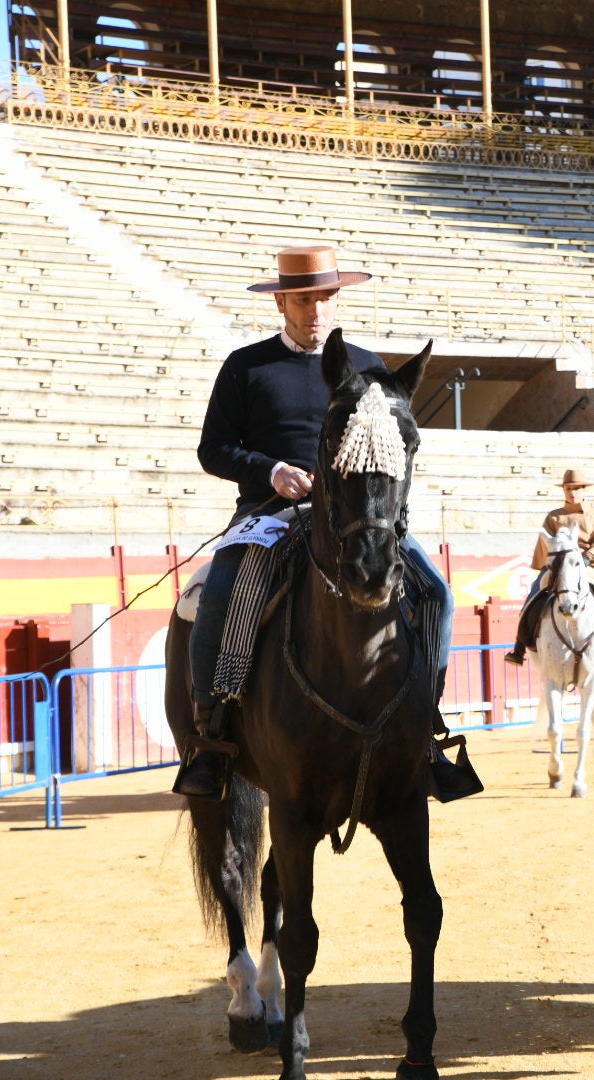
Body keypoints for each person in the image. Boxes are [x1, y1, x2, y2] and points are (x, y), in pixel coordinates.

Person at [173, 245, 481, 802]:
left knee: (437, 592)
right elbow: (213, 449)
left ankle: (426, 728)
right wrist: (272, 471)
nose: (315, 309)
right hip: (270, 511)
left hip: (359, 515)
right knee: (220, 591)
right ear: (282, 302)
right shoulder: (246, 366)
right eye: (303, 298)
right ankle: (211, 737)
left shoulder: (370, 370)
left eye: (325, 297)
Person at [505, 467, 594, 666]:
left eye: (576, 488)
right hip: (557, 567)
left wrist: (588, 556)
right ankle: (519, 648)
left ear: (584, 490)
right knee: (531, 598)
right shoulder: (553, 517)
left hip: (587, 566)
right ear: (564, 490)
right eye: (568, 488)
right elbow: (546, 542)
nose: (572, 492)